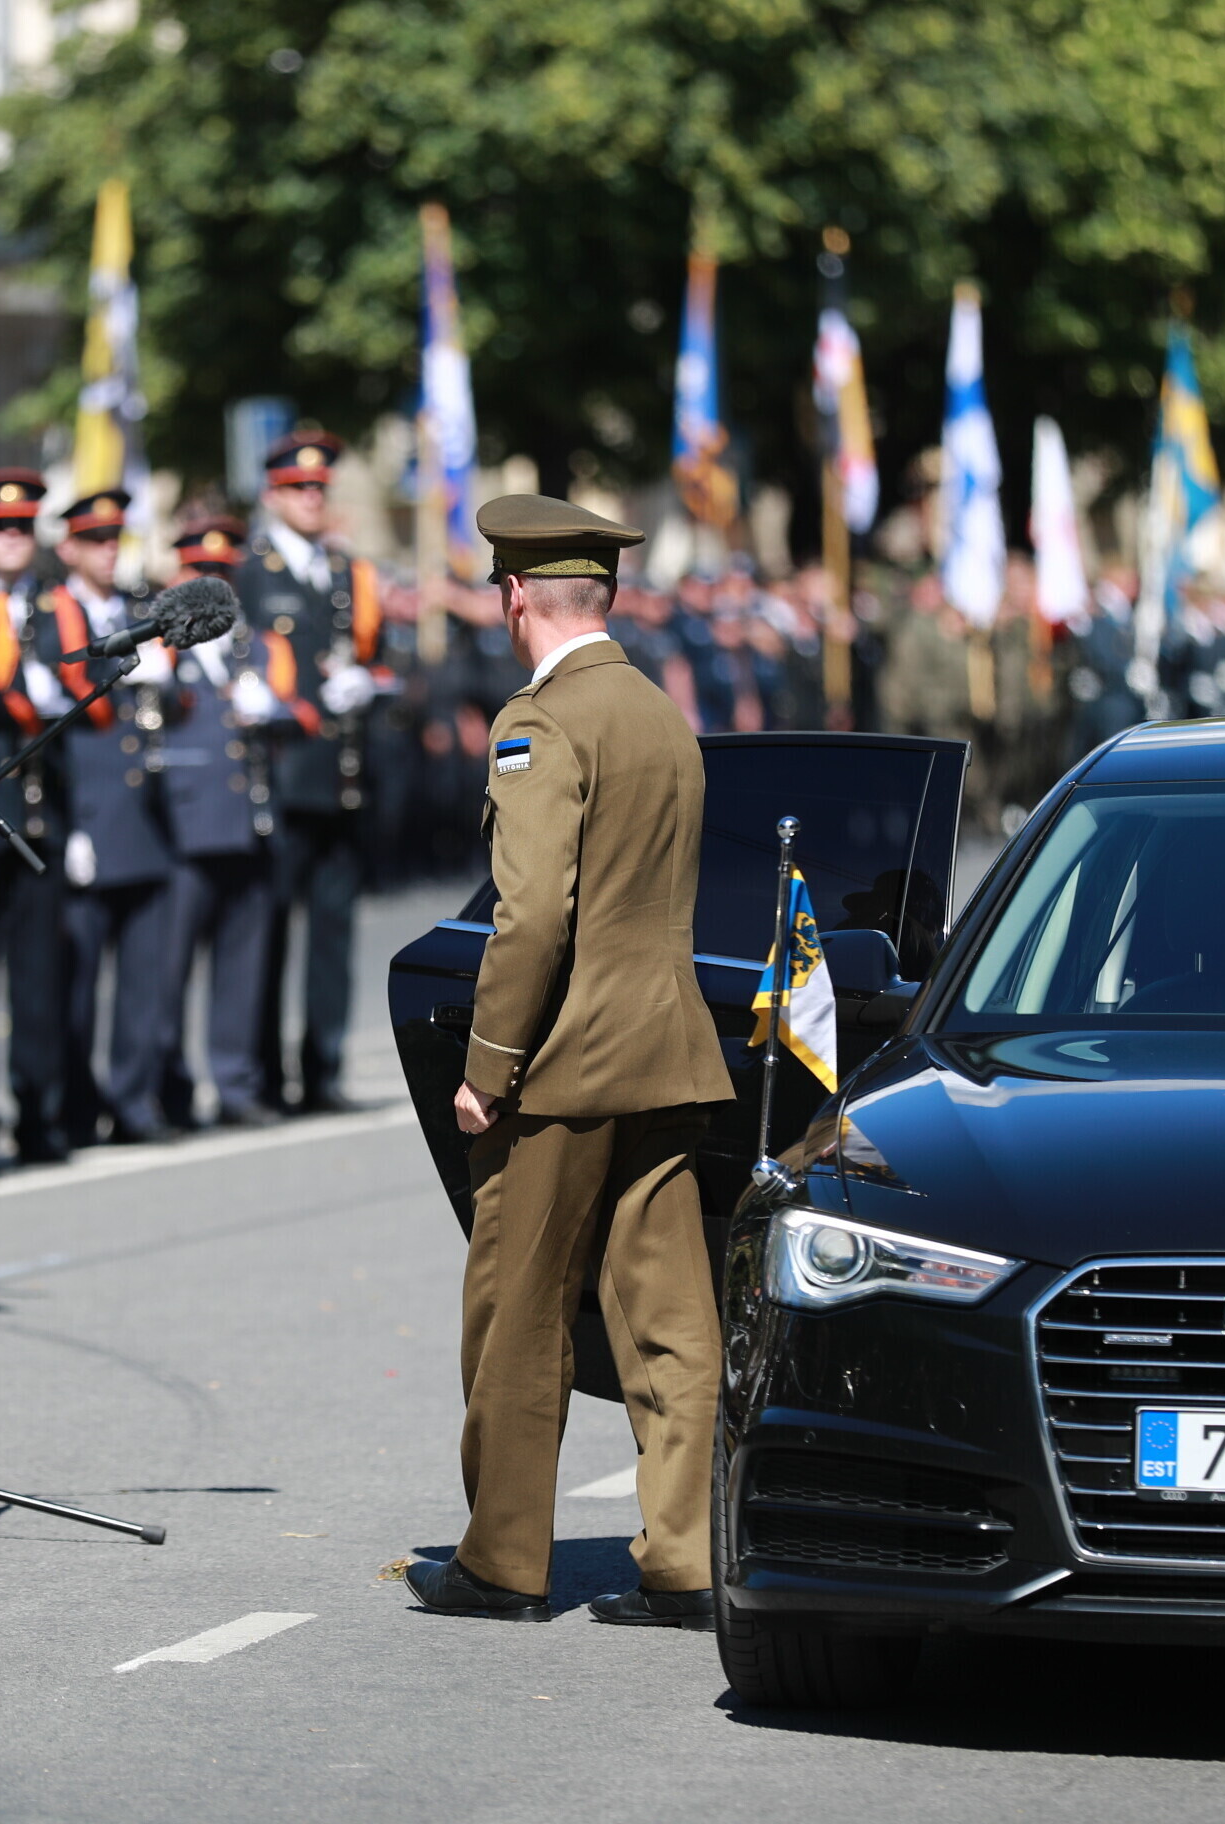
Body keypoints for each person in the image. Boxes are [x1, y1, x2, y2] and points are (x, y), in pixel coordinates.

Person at [405, 494, 732, 1626]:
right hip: (668, 1051)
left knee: (518, 1311)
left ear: (513, 597)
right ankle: (688, 1559)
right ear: (606, 594)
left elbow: (532, 916)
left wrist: (487, 1067)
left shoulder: (540, 722)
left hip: (565, 1068)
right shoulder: (659, 711)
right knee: (671, 1321)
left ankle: (502, 1559)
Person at [38, 487, 180, 1144]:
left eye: (111, 540)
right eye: (92, 540)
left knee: (143, 977)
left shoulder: (136, 610)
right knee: (76, 980)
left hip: (145, 816)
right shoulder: (47, 616)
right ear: (68, 548)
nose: (105, 552)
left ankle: (132, 1101)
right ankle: (72, 1107)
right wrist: (73, 824)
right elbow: (51, 728)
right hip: (87, 815)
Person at [247, 430, 382, 1114]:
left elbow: (378, 656)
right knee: (268, 932)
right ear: (271, 495)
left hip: (339, 777)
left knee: (333, 932)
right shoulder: (251, 572)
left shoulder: (345, 571)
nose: (310, 498)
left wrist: (369, 681)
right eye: (297, 488)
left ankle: (323, 1070)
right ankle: (264, 1075)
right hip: (280, 776)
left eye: (318, 488)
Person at [161, 517, 287, 1128]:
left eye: (222, 573)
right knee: (168, 968)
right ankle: (168, 1090)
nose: (213, 583)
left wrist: (275, 710)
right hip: (183, 827)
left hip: (245, 820)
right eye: (200, 572)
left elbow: (290, 712)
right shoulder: (162, 646)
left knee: (242, 964)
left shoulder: (254, 645)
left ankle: (234, 1084)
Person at [0, 467, 74, 1162]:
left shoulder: (52, 608)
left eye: (21, 527)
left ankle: (39, 1117)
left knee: (38, 984)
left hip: (41, 816)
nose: (11, 538)